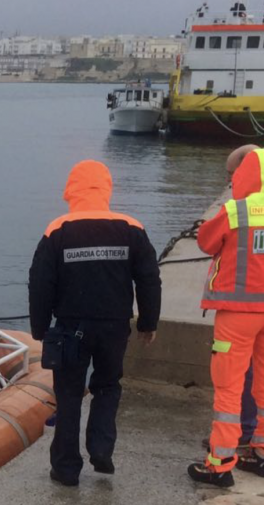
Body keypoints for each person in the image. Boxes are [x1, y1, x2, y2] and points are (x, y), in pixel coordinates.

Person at [29, 159, 161, 487]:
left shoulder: (57, 230)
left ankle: (66, 468)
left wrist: (39, 327)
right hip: (115, 326)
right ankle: (101, 450)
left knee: (70, 393)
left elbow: (40, 283)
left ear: (71, 189)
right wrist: (148, 322)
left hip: (71, 327)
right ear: (106, 188)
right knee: (107, 385)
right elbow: (148, 278)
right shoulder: (131, 227)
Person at [188, 147, 264, 488]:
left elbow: (206, 242)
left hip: (239, 312)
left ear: (245, 174)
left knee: (228, 389)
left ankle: (220, 463)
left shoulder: (237, 210)